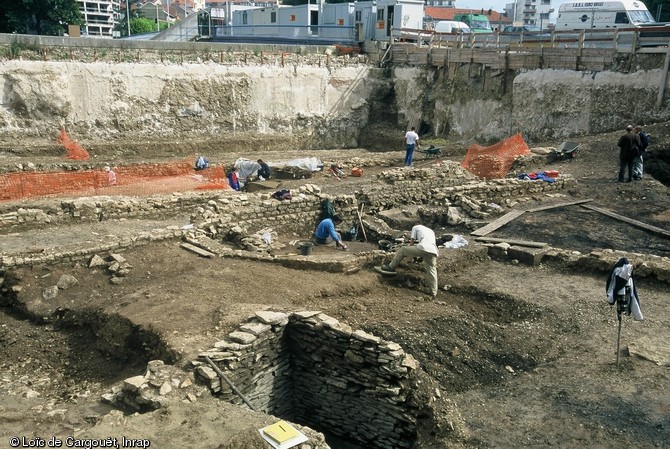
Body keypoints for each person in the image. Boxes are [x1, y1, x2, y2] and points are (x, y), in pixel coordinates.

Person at [380, 224, 439, 297]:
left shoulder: (415, 227)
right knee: (432, 270)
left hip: (423, 248)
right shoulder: (431, 231)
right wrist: (418, 257)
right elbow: (426, 249)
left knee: (402, 250)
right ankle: (434, 292)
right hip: (433, 251)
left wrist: (410, 253)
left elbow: (412, 242)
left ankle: (391, 267)